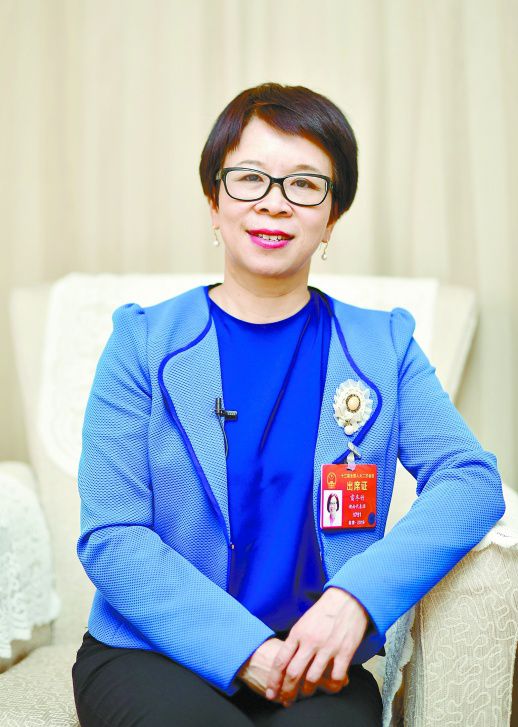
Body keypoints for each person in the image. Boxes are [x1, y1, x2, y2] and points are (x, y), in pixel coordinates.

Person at [71, 82, 505, 727]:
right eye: (250, 178)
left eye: (305, 184)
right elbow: (111, 535)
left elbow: (470, 481)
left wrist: (355, 600)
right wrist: (244, 650)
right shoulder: (141, 342)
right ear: (214, 200)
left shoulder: (382, 347)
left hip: (315, 662)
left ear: (332, 217)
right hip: (152, 652)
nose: (274, 202)